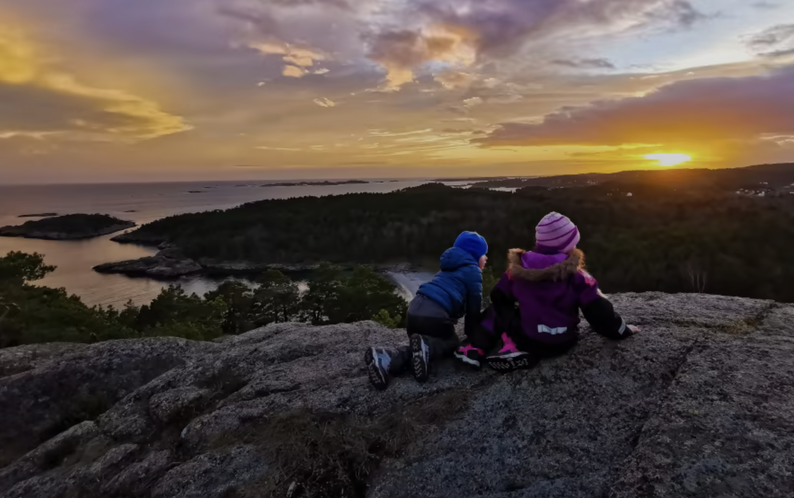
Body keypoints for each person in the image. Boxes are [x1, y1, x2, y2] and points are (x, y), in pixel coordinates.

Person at [455, 212, 637, 372]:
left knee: (496, 311)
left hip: (526, 337)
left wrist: (518, 310)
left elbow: (498, 295)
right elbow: (600, 313)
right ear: (568, 244)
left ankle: (480, 348)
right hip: (563, 342)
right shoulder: (578, 276)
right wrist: (622, 330)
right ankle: (514, 349)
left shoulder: (518, 270)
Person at [365, 231, 488, 390]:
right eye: (484, 255)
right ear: (475, 255)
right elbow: (474, 308)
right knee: (450, 343)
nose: (486, 259)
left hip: (414, 310)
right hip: (435, 314)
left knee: (417, 349)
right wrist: (473, 335)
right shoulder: (473, 271)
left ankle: (386, 357)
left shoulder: (447, 268)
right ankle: (426, 347)